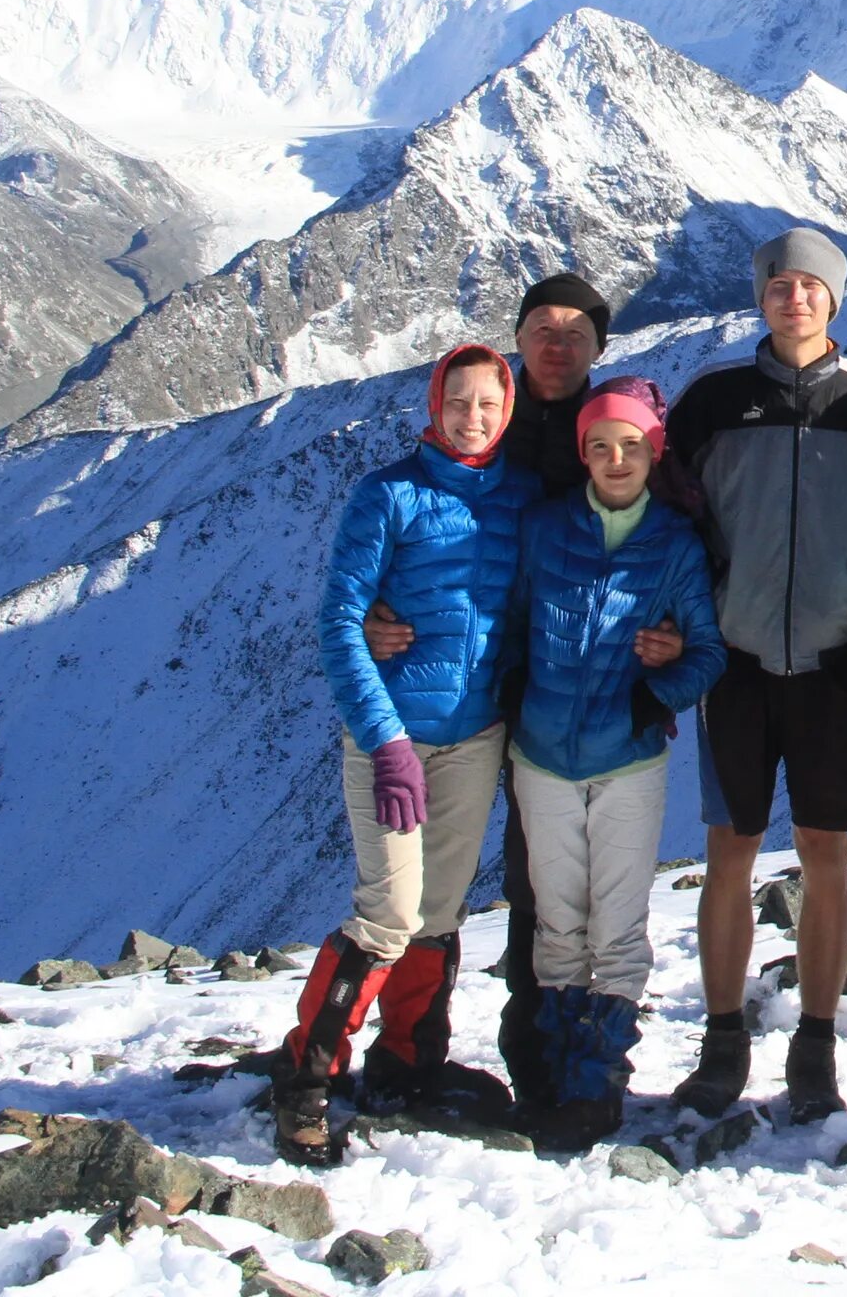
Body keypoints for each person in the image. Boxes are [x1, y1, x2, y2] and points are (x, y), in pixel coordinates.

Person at [666, 228, 847, 1121]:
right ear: (761, 298)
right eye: (780, 286)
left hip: (833, 666)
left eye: (811, 287)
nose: (795, 299)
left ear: (835, 300)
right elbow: (675, 526)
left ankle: (816, 1043)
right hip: (734, 663)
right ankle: (723, 1038)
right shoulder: (712, 400)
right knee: (728, 854)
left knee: (825, 855)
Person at [363, 270, 618, 1112]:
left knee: (541, 877)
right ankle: (410, 1052)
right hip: (465, 690)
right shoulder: (486, 430)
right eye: (542, 327)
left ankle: (536, 1052)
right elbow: (417, 531)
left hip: (565, 690)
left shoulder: (612, 431)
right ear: (517, 338)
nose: (557, 343)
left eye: (576, 332)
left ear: (599, 349)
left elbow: (665, 524)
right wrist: (374, 613)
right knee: (434, 881)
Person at [282, 344, 536, 1165]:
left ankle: (408, 1064)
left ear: (508, 410)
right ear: (435, 404)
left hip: (474, 739)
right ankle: (308, 1084)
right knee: (386, 916)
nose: (473, 417)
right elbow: (339, 623)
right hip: (393, 736)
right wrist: (385, 739)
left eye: (489, 405)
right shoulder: (387, 496)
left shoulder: (520, 499)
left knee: (438, 916)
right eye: (459, 401)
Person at [506, 376, 730, 1150]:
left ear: (653, 450)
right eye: (599, 446)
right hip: (540, 755)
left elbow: (707, 650)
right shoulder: (544, 528)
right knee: (558, 921)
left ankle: (600, 1079)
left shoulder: (673, 543)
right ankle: (563, 1074)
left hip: (627, 759)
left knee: (619, 927)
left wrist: (655, 695)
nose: (614, 458)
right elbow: (507, 623)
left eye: (630, 445)